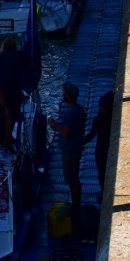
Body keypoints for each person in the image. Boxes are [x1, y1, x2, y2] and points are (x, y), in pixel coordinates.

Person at [48, 83, 87, 236]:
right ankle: (76, 202)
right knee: (73, 178)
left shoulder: (71, 113)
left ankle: (76, 205)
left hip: (70, 150)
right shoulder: (79, 110)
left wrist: (55, 125)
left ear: (68, 96)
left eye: (64, 93)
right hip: (75, 147)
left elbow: (65, 133)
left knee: (72, 179)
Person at [0, 37, 27, 149]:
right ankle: (7, 139)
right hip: (13, 89)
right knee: (12, 114)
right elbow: (30, 66)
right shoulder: (19, 55)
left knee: (3, 113)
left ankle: (5, 137)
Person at [84, 91, 114, 190]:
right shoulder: (112, 118)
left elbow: (91, 135)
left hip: (101, 149)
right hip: (109, 146)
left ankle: (103, 190)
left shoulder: (98, 119)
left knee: (102, 171)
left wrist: (79, 142)